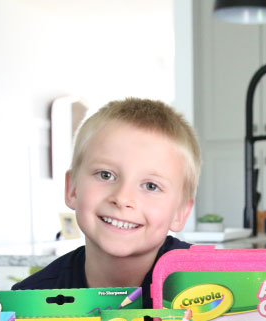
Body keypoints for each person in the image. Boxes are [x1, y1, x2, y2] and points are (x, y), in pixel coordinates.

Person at [13, 98, 196, 306]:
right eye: (106, 175)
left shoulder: (213, 288)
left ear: (180, 213)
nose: (122, 198)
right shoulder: (29, 301)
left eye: (151, 186)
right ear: (72, 189)